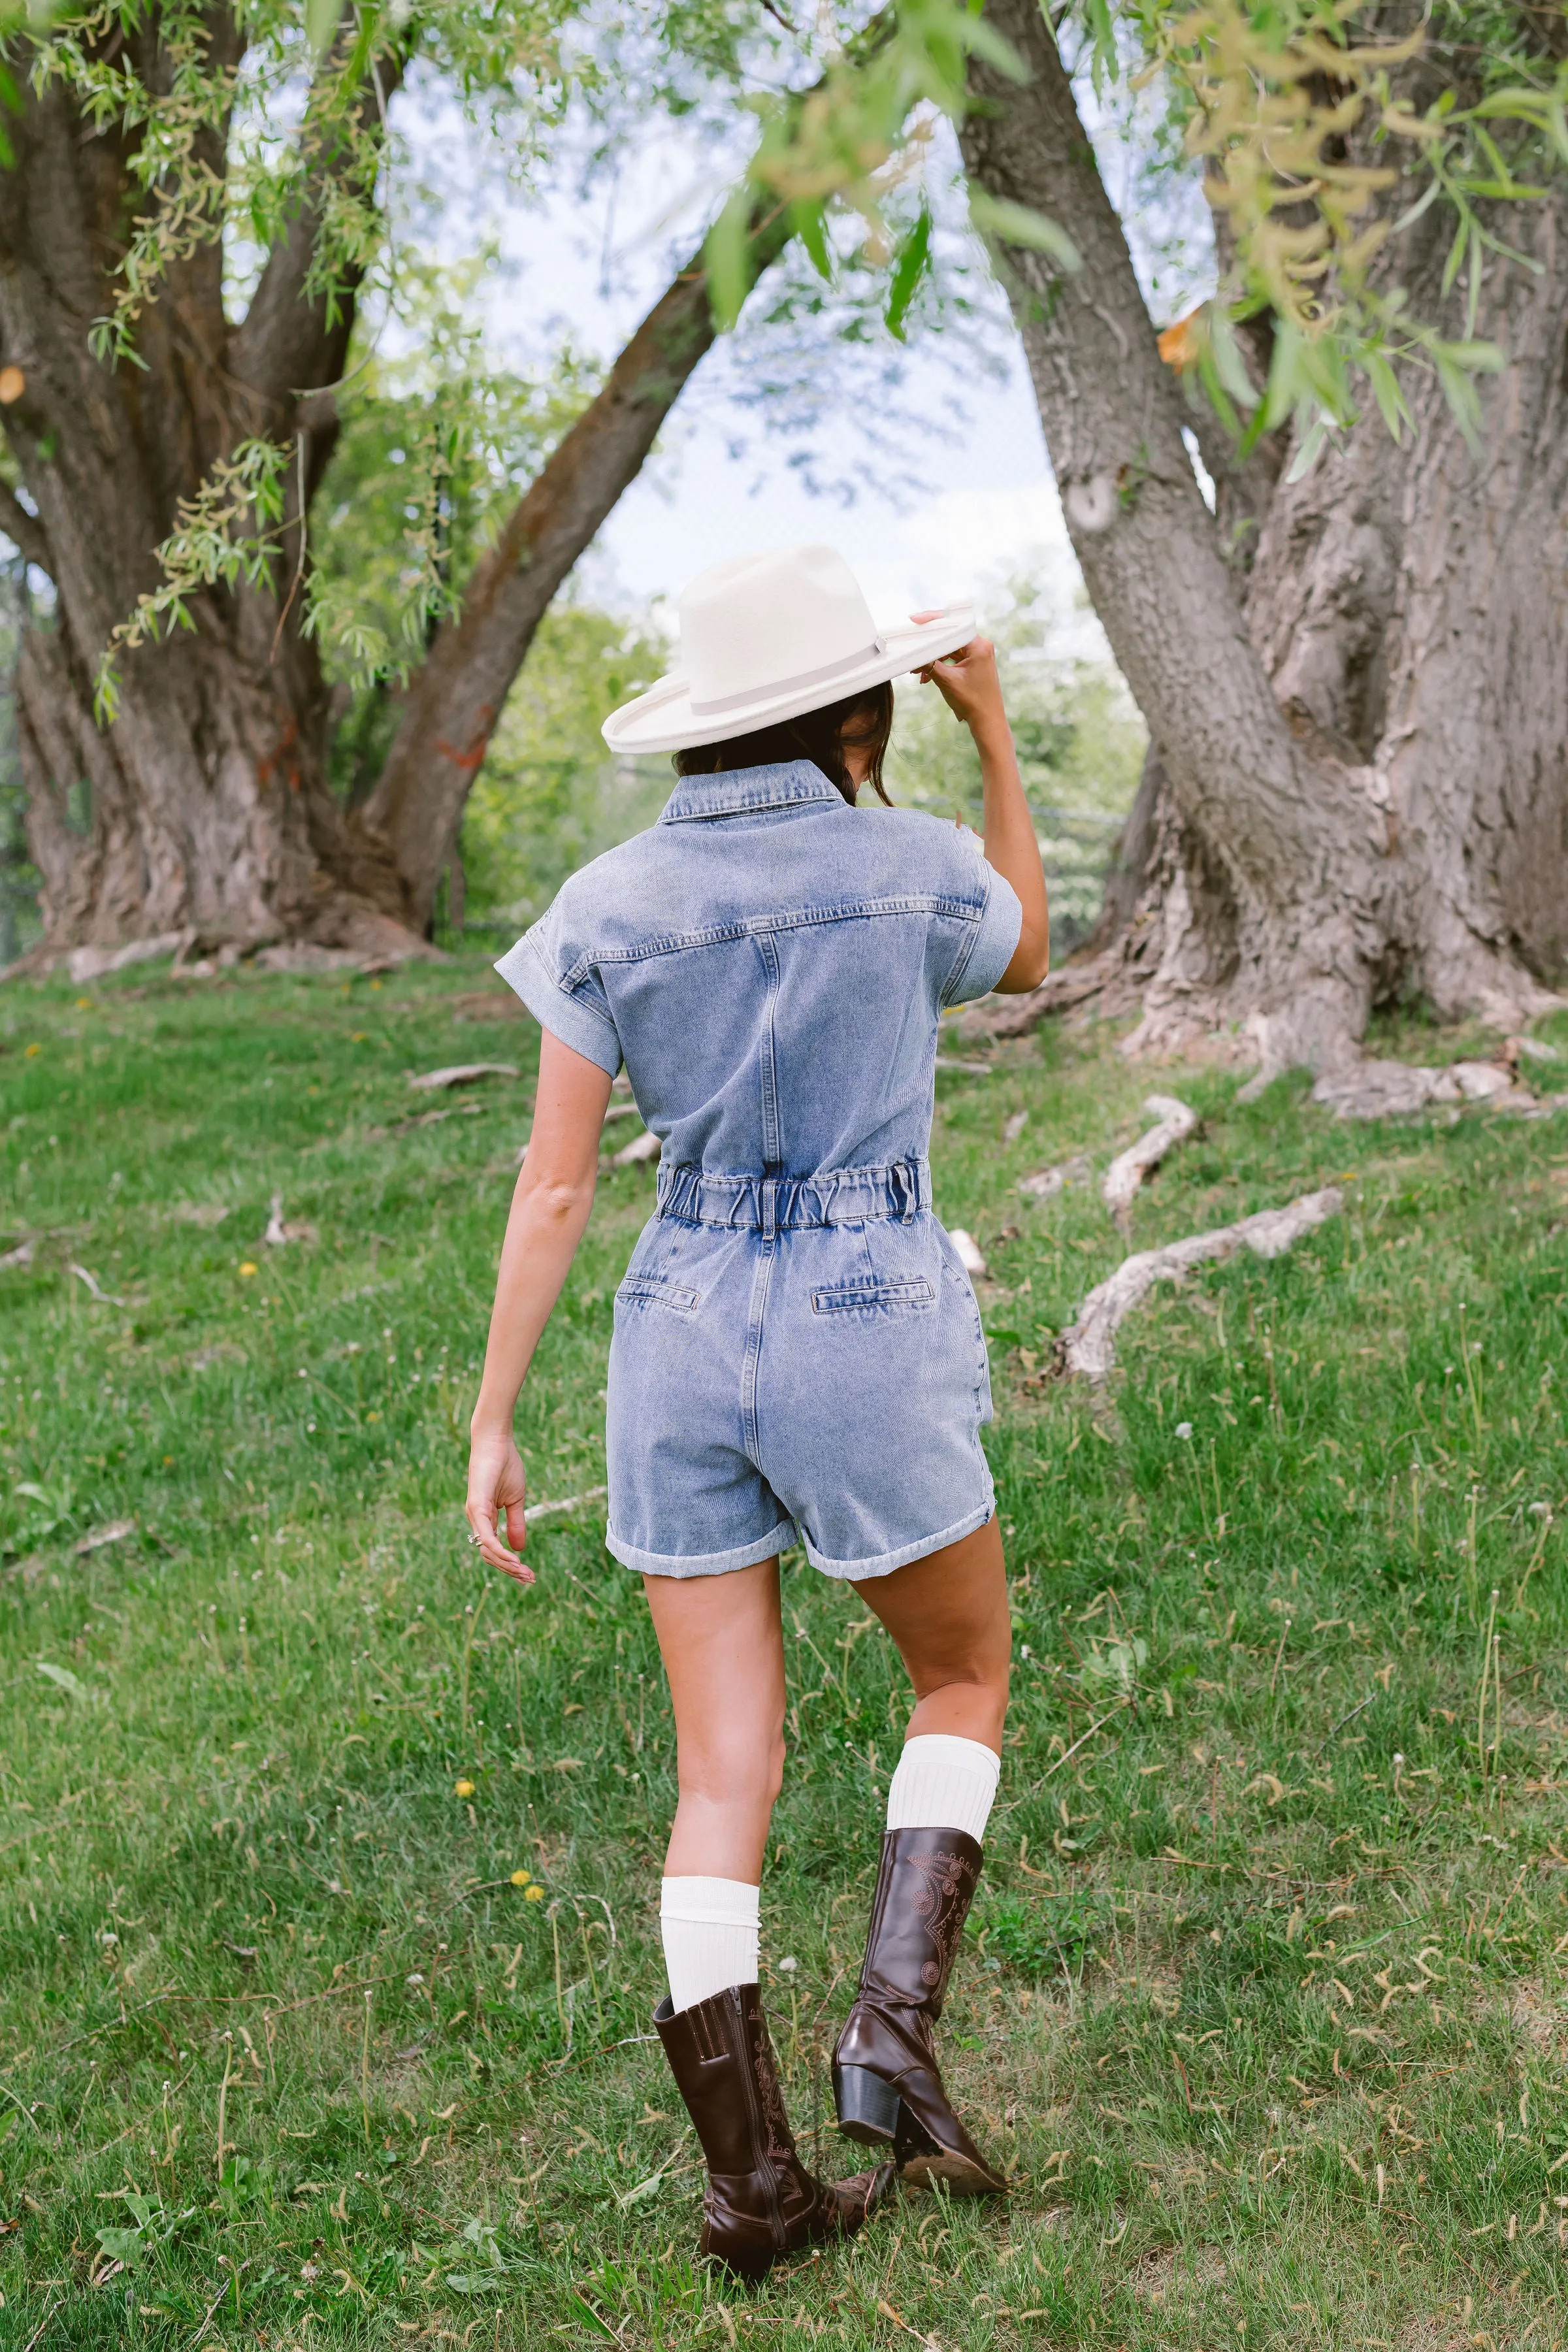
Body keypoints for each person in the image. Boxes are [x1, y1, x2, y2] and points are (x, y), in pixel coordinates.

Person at [466, 542, 1049, 2279]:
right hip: (864, 1315)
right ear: (859, 717)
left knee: (722, 1771)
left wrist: (494, 1419)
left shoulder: (605, 904)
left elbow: (558, 1193)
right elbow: (1025, 954)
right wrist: (1001, 741)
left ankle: (754, 2197)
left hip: (681, 1331)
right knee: (960, 1672)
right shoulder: (910, 866)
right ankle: (890, 2032)